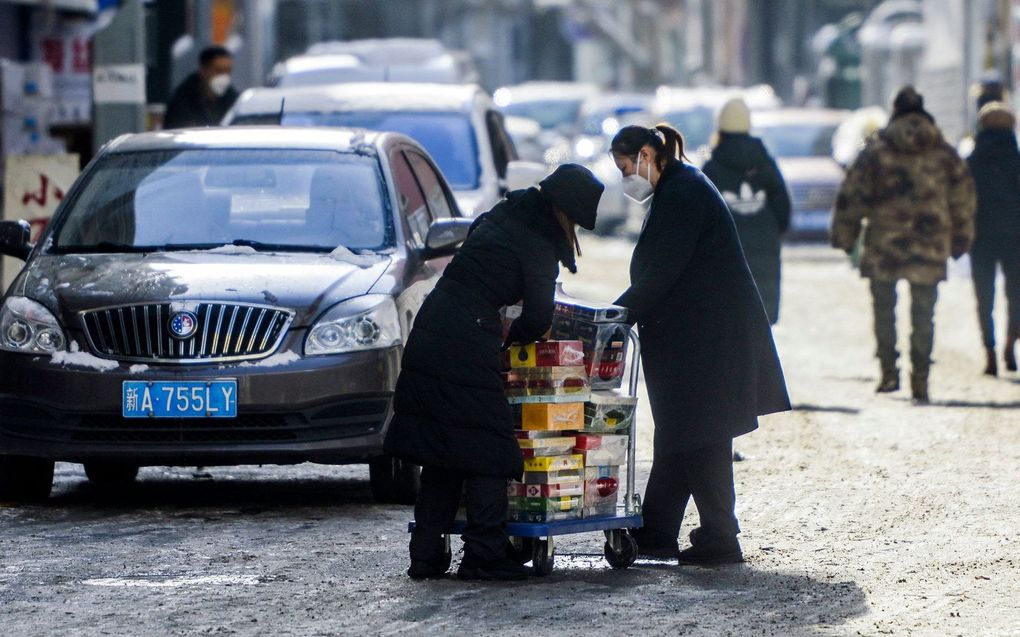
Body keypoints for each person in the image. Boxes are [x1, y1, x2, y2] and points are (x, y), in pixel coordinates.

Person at [384, 164, 604, 581]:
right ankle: (484, 552)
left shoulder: (502, 215)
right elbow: (539, 317)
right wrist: (514, 340)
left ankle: (426, 554)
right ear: (566, 212)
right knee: (488, 444)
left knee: (442, 447)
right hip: (469, 336)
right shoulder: (540, 243)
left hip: (434, 324)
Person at [609, 124, 790, 565]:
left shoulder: (684, 193)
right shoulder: (679, 188)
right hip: (699, 337)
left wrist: (613, 318)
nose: (627, 177)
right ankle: (658, 532)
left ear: (649, 154)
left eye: (627, 166)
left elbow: (662, 272)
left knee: (700, 433)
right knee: (685, 433)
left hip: (709, 340)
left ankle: (720, 536)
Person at [832, 87, 976, 402]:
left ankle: (888, 373)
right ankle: (920, 378)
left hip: (885, 243)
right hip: (930, 242)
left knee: (883, 309)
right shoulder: (943, 150)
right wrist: (961, 239)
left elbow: (853, 194)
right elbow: (963, 198)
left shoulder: (876, 149)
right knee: (924, 312)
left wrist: (845, 235)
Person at [702, 98, 792, 324]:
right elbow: (783, 210)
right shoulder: (765, 163)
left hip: (726, 252)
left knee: (730, 322)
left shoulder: (712, 168)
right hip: (764, 247)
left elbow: (700, 216)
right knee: (760, 321)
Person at [965, 102, 1020, 376]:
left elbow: (962, 201)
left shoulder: (971, 163)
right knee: (1017, 295)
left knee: (984, 297)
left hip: (981, 238)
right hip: (1016, 239)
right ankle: (1011, 345)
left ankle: (989, 353)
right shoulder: (1018, 160)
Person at [163, 46, 239, 129]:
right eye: (218, 71)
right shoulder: (182, 102)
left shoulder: (233, 100)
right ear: (203, 70)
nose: (224, 77)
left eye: (228, 71)